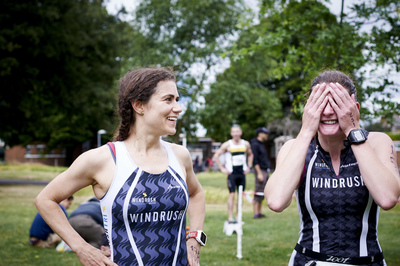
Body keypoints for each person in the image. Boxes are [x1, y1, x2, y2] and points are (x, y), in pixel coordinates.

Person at [34, 67, 206, 266]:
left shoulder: (180, 156)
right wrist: (82, 248)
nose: (178, 107)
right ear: (139, 106)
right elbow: (46, 199)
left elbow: (196, 194)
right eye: (168, 100)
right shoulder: (103, 159)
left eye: (177, 99)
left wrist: (195, 239)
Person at [265, 70, 400, 265]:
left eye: (337, 103)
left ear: (355, 108)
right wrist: (305, 131)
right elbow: (276, 201)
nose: (327, 112)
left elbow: (387, 198)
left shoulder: (377, 142)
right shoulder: (294, 147)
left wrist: (353, 130)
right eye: (320, 105)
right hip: (309, 260)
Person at [214, 124, 253, 223]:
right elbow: (216, 156)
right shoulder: (227, 144)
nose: (235, 134)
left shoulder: (245, 144)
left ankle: (238, 217)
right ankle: (230, 217)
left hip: (242, 173)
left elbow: (250, 154)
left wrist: (249, 166)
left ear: (240, 132)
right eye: (233, 132)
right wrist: (222, 168)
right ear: (231, 133)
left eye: (237, 131)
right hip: (232, 174)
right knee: (232, 194)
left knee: (240, 196)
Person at [250, 127, 271, 219]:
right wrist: (259, 173)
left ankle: (259, 212)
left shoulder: (261, 144)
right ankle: (255, 213)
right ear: (260, 134)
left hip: (265, 170)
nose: (267, 135)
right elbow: (254, 161)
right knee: (258, 191)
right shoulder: (254, 144)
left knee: (262, 192)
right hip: (260, 170)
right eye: (265, 133)